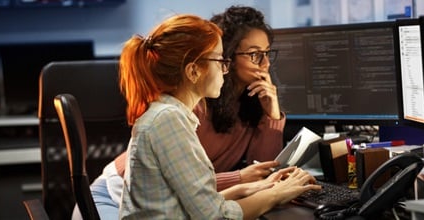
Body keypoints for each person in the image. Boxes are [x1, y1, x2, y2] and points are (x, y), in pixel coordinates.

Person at [72, 5, 291, 219]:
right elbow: (207, 207)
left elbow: (193, 195)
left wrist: (271, 115)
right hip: (112, 194)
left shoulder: (185, 109)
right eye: (254, 54)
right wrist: (250, 184)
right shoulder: (179, 112)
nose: (265, 63)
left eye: (267, 53)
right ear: (195, 70)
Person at [117, 13, 320, 219]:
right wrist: (276, 194)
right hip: (111, 192)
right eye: (220, 60)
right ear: (194, 71)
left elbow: (193, 200)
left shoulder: (172, 114)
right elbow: (215, 216)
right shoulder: (169, 119)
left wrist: (261, 187)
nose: (225, 68)